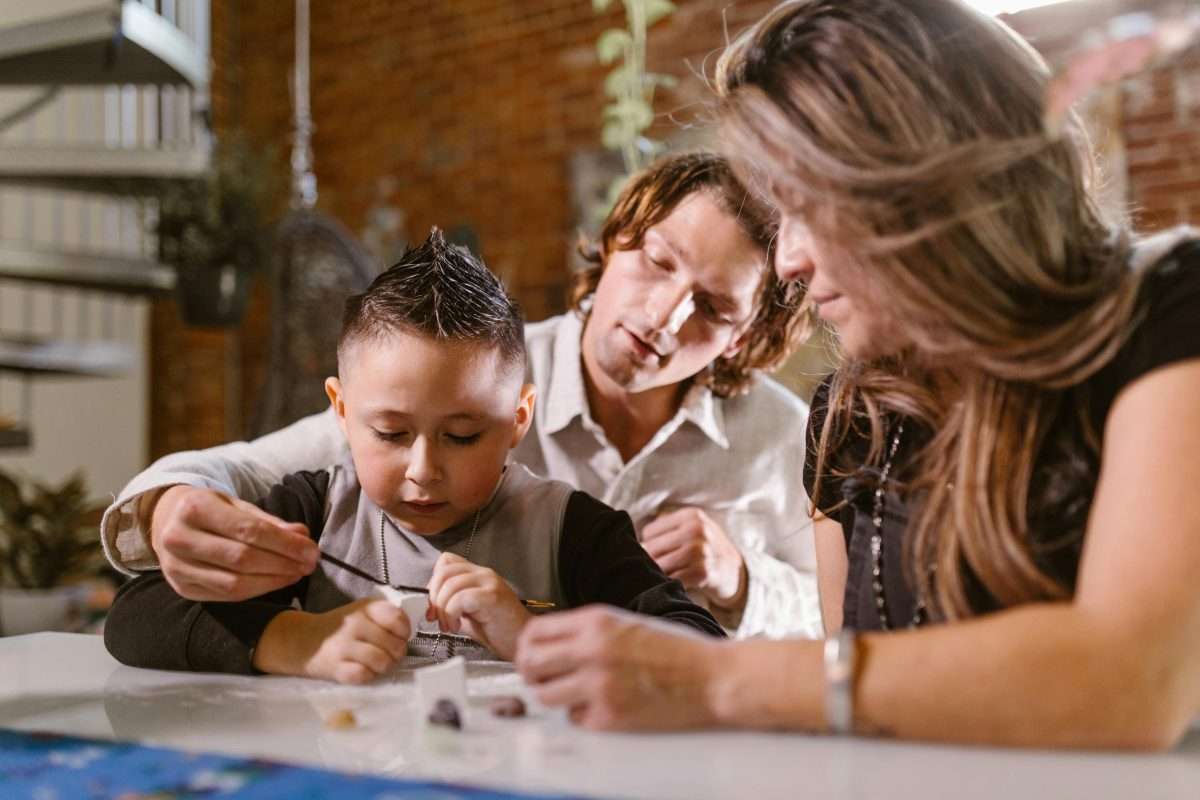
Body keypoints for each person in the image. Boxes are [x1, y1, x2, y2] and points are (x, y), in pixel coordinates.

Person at [511, 0, 1200, 750]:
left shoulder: (1168, 309)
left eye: (807, 207)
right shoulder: (852, 413)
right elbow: (857, 715)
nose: (788, 261)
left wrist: (707, 679)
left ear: (919, 180)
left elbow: (1134, 683)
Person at [100, 152, 821, 639]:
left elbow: (848, 626)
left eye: (714, 308)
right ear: (613, 244)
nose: (663, 317)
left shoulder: (785, 439)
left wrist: (743, 582)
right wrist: (166, 507)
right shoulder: (476, 377)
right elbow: (250, 470)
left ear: (744, 336)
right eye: (657, 262)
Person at [103, 229, 723, 683]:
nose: (424, 470)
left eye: (462, 436)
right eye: (391, 434)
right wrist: (293, 641)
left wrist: (533, 638)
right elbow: (135, 617)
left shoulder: (572, 530)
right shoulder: (315, 510)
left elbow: (702, 651)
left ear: (517, 422)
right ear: (342, 412)